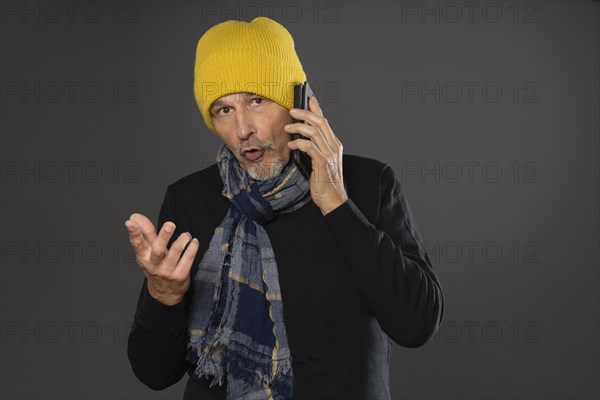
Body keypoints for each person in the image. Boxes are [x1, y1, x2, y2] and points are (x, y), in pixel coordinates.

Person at [124, 16, 444, 400]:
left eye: (256, 100)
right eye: (224, 110)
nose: (243, 130)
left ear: (298, 101)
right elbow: (155, 373)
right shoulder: (191, 199)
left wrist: (338, 204)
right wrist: (164, 295)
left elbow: (416, 325)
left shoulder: (367, 183)